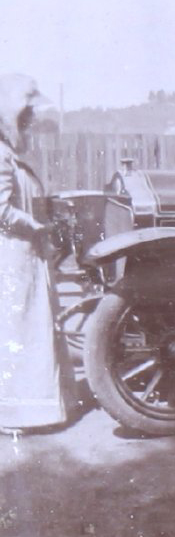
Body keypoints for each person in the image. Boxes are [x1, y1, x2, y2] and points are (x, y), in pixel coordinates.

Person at [0, 74, 76, 432]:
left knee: (33, 329)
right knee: (19, 331)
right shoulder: (1, 157)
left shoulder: (12, 156)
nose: (30, 120)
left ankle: (39, 408)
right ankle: (19, 416)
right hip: (13, 255)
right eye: (25, 114)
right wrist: (38, 226)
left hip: (27, 254)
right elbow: (1, 211)